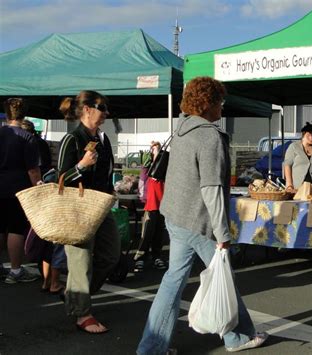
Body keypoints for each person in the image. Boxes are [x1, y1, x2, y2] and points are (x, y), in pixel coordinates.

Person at [137, 77, 268, 354]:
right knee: (224, 278)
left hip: (175, 215)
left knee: (173, 281)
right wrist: (223, 233)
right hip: (198, 220)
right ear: (207, 104)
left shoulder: (182, 128)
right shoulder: (208, 135)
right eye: (219, 101)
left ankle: (152, 348)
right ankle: (238, 337)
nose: (222, 106)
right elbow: (211, 188)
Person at [58, 90, 120, 334]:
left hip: (101, 205)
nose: (106, 113)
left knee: (111, 255)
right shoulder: (71, 139)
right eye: (101, 107)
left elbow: (106, 173)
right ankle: (82, 312)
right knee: (81, 261)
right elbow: (59, 178)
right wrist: (81, 166)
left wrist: (112, 190)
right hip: (77, 208)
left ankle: (76, 296)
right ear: (86, 109)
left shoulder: (103, 139)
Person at [20, 119, 65, 294]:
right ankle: (52, 282)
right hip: (42, 191)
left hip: (24, 194)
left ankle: (47, 282)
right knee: (52, 240)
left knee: (43, 240)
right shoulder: (38, 144)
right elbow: (42, 169)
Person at [0, 98, 42, 284]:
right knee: (16, 229)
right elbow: (33, 169)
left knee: (0, 228)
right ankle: (16, 271)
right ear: (24, 113)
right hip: (18, 188)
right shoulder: (27, 137)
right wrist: (38, 188)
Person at [134, 141, 169, 272]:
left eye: (159, 150)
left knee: (159, 232)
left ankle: (157, 256)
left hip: (163, 204)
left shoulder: (165, 167)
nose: (157, 152)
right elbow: (143, 181)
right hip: (151, 204)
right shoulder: (148, 168)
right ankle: (140, 257)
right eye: (154, 149)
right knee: (147, 233)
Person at [283, 122, 312, 190]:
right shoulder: (294, 147)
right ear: (304, 133)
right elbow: (287, 165)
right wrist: (289, 184)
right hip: (297, 187)